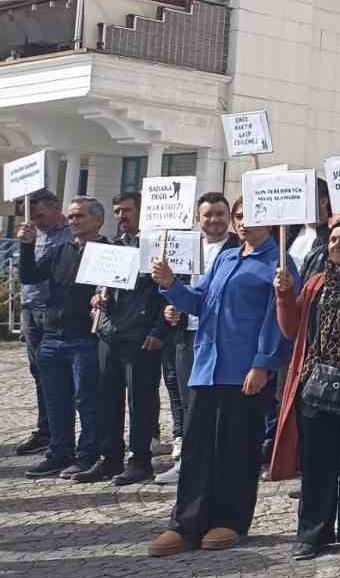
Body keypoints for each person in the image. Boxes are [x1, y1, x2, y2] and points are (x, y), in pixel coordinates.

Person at [147, 217, 288, 554]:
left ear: (269, 221)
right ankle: (186, 523)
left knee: (236, 449)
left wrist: (262, 363)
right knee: (196, 449)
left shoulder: (278, 261)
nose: (243, 224)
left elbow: (277, 318)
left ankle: (230, 520)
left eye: (252, 217)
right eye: (240, 217)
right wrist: (171, 287)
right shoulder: (226, 257)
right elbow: (200, 302)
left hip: (243, 371)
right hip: (206, 367)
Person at [271, 217, 340, 560]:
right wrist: (285, 294)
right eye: (334, 239)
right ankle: (313, 532)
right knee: (317, 463)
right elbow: (291, 328)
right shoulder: (316, 282)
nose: (337, 245)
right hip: (315, 385)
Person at [17, 198, 106, 479]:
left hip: (85, 339)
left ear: (97, 220)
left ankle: (88, 454)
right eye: (71, 216)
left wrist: (105, 297)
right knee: (56, 400)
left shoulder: (111, 251)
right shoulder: (59, 250)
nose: (73, 221)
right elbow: (30, 276)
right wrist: (27, 245)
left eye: (79, 216)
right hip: (53, 336)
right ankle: (59, 452)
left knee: (86, 400)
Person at [157, 192, 238, 487]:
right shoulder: (183, 247)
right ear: (197, 218)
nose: (215, 219)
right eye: (208, 214)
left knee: (215, 405)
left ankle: (215, 464)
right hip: (185, 334)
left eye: (220, 213)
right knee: (186, 402)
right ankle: (187, 463)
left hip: (219, 338)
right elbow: (172, 286)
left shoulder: (238, 248)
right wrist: (169, 308)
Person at [87, 193, 167, 485]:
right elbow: (99, 285)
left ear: (143, 212)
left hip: (140, 335)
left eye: (128, 210)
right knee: (107, 399)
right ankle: (109, 458)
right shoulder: (111, 246)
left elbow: (165, 293)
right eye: (118, 211)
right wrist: (98, 296)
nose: (122, 216)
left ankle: (140, 460)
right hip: (110, 333)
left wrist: (158, 331)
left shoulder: (157, 247)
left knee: (140, 402)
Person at [14, 190, 71, 458]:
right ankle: (46, 430)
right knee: (39, 373)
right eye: (33, 216)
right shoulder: (32, 233)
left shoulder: (69, 236)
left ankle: (61, 434)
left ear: (55, 208)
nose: (37, 222)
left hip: (53, 310)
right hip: (30, 310)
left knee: (57, 375)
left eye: (40, 215)